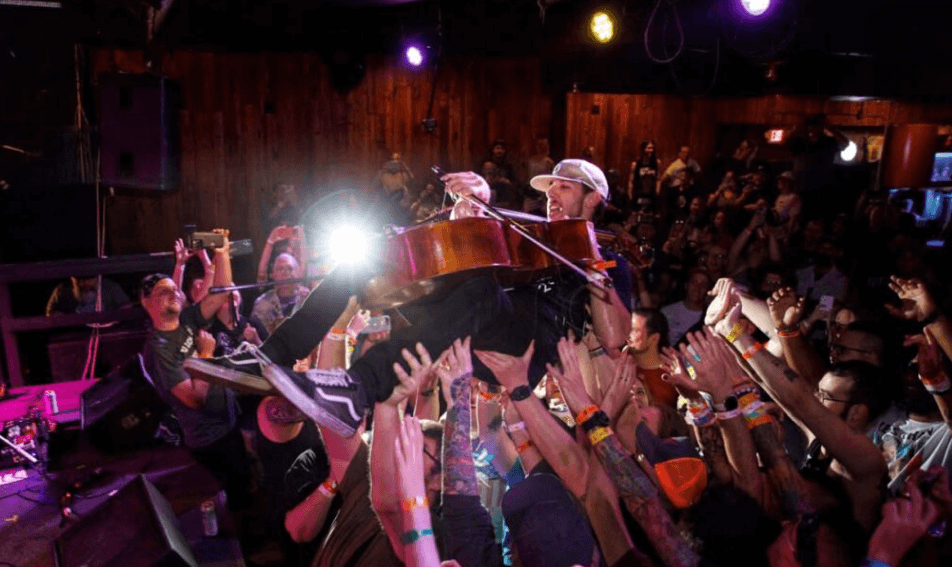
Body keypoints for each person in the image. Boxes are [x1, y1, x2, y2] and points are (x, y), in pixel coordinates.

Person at [185, 160, 632, 438]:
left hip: (531, 344)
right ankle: (272, 355)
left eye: (565, 188)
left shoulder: (607, 257)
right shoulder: (534, 231)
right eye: (549, 188)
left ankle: (358, 386)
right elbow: (481, 254)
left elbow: (613, 337)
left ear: (594, 199)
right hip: (480, 319)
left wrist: (594, 267)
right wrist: (475, 207)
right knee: (369, 261)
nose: (551, 196)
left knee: (481, 292)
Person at [138, 235, 253, 512]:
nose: (175, 294)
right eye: (165, 292)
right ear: (147, 303)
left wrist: (222, 253)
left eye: (174, 290)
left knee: (246, 486)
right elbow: (194, 399)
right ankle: (243, 549)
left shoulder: (186, 320)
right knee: (238, 497)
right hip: (210, 438)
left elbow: (221, 293)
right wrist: (205, 354)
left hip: (228, 421)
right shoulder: (159, 351)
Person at [46, 275, 130, 316]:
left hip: (106, 332)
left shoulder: (111, 287)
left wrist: (112, 317)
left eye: (88, 279)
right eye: (79, 280)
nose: (83, 283)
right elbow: (50, 312)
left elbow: (126, 307)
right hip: (75, 336)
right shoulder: (62, 290)